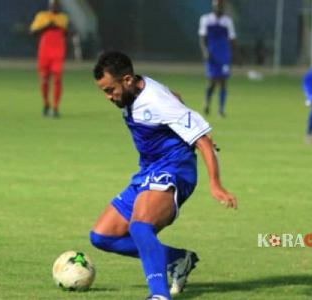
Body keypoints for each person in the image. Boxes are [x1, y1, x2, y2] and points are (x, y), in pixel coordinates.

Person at [89, 51, 237, 300]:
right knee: (102, 236)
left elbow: (202, 140)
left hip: (175, 170)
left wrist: (216, 185)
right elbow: (176, 99)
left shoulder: (155, 100)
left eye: (109, 89)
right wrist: (181, 112)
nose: (107, 97)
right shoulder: (136, 92)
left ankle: (159, 295)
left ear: (126, 80)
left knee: (140, 227)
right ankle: (178, 259)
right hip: (149, 171)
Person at [29, 0, 68, 118]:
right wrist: (47, 26)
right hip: (44, 52)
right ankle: (46, 103)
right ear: (49, 5)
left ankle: (55, 107)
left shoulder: (63, 17)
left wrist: (55, 26)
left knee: (57, 79)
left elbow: (65, 31)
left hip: (58, 53)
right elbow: (32, 32)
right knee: (44, 79)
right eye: (53, 4)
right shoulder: (41, 16)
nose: (55, 6)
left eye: (57, 4)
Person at [199, 0, 237, 118]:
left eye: (221, 5)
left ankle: (221, 109)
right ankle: (207, 103)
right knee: (212, 82)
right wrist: (205, 51)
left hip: (224, 55)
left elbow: (232, 39)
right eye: (217, 5)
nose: (219, 7)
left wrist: (236, 54)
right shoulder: (205, 19)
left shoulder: (227, 21)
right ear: (213, 6)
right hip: (212, 54)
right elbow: (202, 38)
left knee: (223, 82)